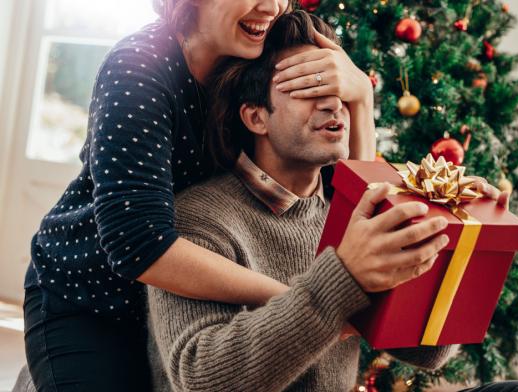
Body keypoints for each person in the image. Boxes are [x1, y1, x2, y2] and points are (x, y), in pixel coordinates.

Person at [147, 11, 518, 392]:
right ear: (255, 117)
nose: (334, 105)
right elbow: (201, 380)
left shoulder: (349, 209)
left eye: (339, 90)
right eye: (310, 88)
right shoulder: (197, 219)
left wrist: (470, 243)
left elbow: (429, 352)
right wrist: (341, 276)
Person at [22, 0, 384, 390]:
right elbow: (137, 244)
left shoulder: (254, 57)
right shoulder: (138, 68)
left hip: (179, 298)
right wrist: (310, 300)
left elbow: (343, 199)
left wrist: (361, 97)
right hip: (92, 299)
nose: (272, 7)